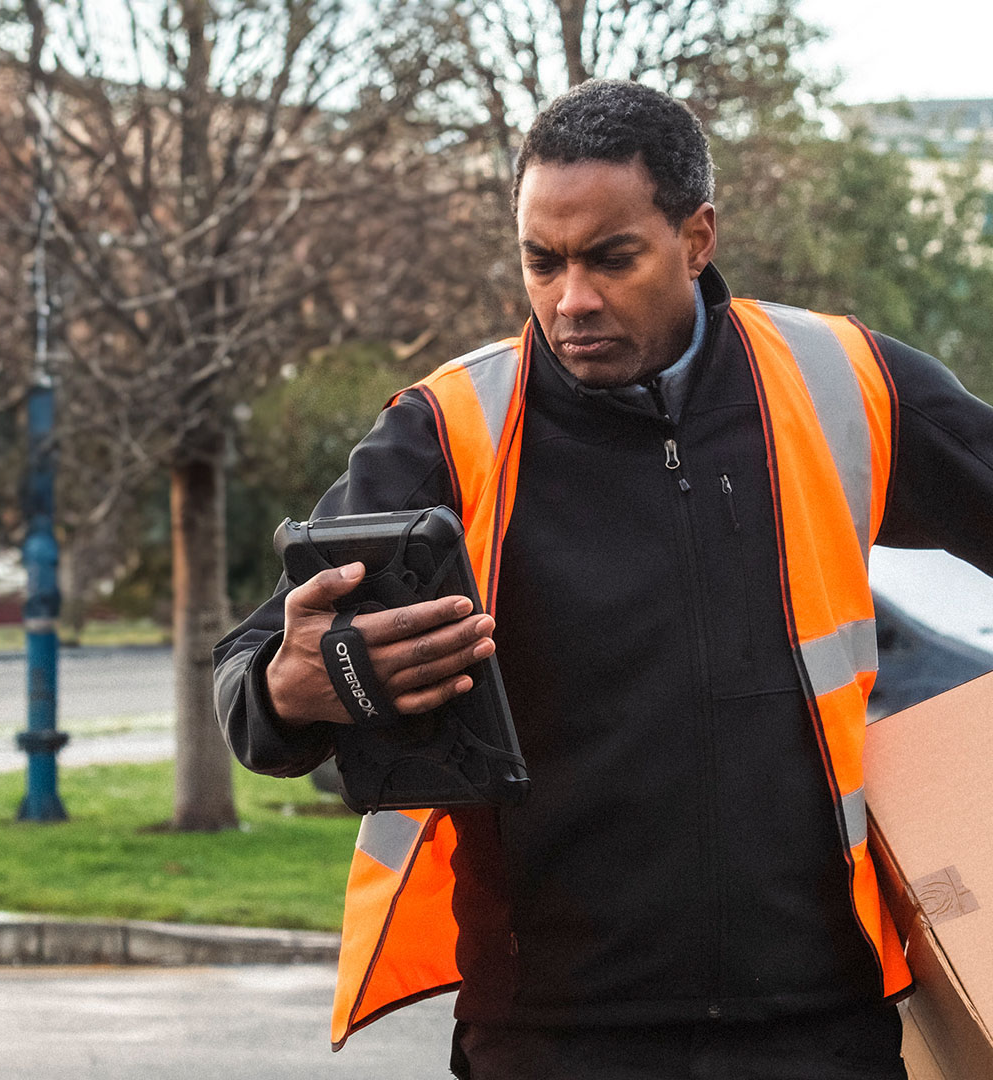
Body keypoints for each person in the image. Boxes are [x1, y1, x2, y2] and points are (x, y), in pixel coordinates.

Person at [213, 80, 993, 1079]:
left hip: (818, 1026)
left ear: (697, 236)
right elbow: (249, 670)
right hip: (553, 1040)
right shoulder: (449, 430)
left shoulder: (844, 380)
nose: (571, 300)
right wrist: (294, 687)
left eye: (611, 260)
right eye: (543, 262)